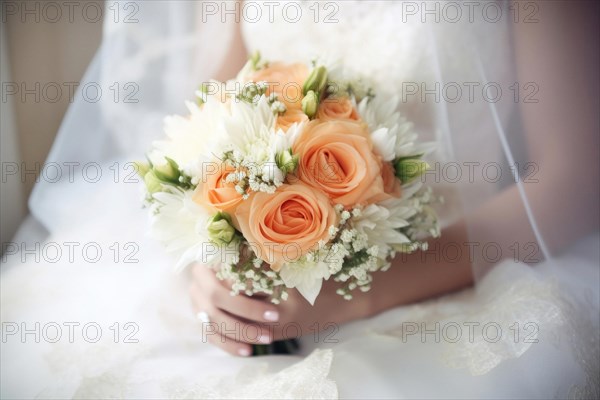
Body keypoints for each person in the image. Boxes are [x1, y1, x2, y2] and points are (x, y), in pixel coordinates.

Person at [2, 1, 598, 398]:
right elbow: (213, 117)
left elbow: (572, 179)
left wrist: (350, 300)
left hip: (461, 267)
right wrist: (211, 261)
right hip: (267, 289)